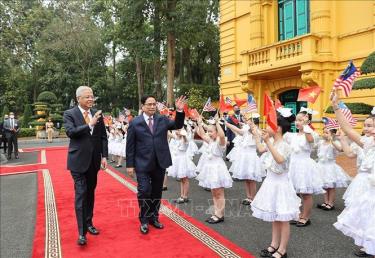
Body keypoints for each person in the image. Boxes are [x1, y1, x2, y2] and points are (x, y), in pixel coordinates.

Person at [126, 95, 186, 234]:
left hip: (160, 162)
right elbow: (130, 145)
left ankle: (154, 217)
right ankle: (144, 220)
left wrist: (180, 111)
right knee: (144, 191)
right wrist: (130, 165)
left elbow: (177, 125)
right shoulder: (135, 122)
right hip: (142, 163)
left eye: (154, 104)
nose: (152, 106)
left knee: (156, 192)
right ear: (143, 106)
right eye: (149, 104)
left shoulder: (162, 120)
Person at [331, 90, 375, 257]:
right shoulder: (368, 144)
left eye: (372, 126)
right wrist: (336, 106)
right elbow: (348, 130)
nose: (368, 130)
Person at [251, 109, 300, 258]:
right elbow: (260, 149)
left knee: (283, 218)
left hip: (281, 185)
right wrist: (256, 136)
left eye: (270, 125)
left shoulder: (284, 145)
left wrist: (267, 142)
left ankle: (282, 249)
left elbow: (280, 160)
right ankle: (274, 244)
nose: (266, 127)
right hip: (271, 183)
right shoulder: (272, 141)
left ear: (278, 128)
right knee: (274, 215)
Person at [63, 86, 108, 246]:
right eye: (87, 97)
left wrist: (104, 156)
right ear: (78, 99)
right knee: (81, 194)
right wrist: (90, 124)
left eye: (92, 96)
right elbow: (71, 132)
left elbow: (103, 137)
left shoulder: (97, 113)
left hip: (94, 162)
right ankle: (82, 233)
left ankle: (89, 223)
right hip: (77, 162)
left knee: (90, 194)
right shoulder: (69, 114)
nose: (91, 99)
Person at [285, 108, 325, 227]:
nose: (297, 122)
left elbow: (310, 141)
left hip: (304, 166)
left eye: (301, 120)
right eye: (296, 120)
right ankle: (298, 214)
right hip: (293, 166)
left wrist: (307, 126)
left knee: (306, 193)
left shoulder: (311, 134)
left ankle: (305, 217)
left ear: (307, 121)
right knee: (295, 192)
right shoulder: (293, 136)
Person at [196, 114, 233, 224]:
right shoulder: (211, 141)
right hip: (210, 168)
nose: (209, 133)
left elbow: (222, 136)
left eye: (211, 131)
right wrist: (199, 123)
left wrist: (217, 123)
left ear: (216, 132)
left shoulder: (220, 142)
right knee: (213, 192)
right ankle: (216, 212)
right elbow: (202, 134)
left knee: (219, 193)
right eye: (209, 131)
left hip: (218, 168)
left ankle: (220, 215)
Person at [225, 114, 265, 205]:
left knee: (252, 179)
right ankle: (248, 197)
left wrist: (252, 127)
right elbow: (239, 131)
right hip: (244, 156)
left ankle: (253, 198)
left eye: (249, 119)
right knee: (247, 178)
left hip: (251, 157)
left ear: (254, 121)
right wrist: (228, 124)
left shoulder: (257, 131)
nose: (247, 121)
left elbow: (256, 135)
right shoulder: (247, 130)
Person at [316, 127, 351, 211]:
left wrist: (331, 141)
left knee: (331, 187)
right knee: (324, 185)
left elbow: (340, 149)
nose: (324, 134)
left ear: (332, 134)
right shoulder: (321, 142)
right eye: (323, 132)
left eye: (327, 133)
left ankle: (331, 203)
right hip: (321, 166)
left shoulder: (334, 143)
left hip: (330, 167)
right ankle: (326, 201)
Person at [167, 129, 197, 203]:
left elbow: (186, 139)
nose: (176, 132)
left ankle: (185, 196)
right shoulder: (177, 139)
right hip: (178, 161)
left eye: (178, 130)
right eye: (176, 130)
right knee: (181, 179)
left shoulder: (185, 140)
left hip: (183, 161)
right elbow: (169, 133)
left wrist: (183, 134)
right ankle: (182, 196)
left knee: (185, 179)